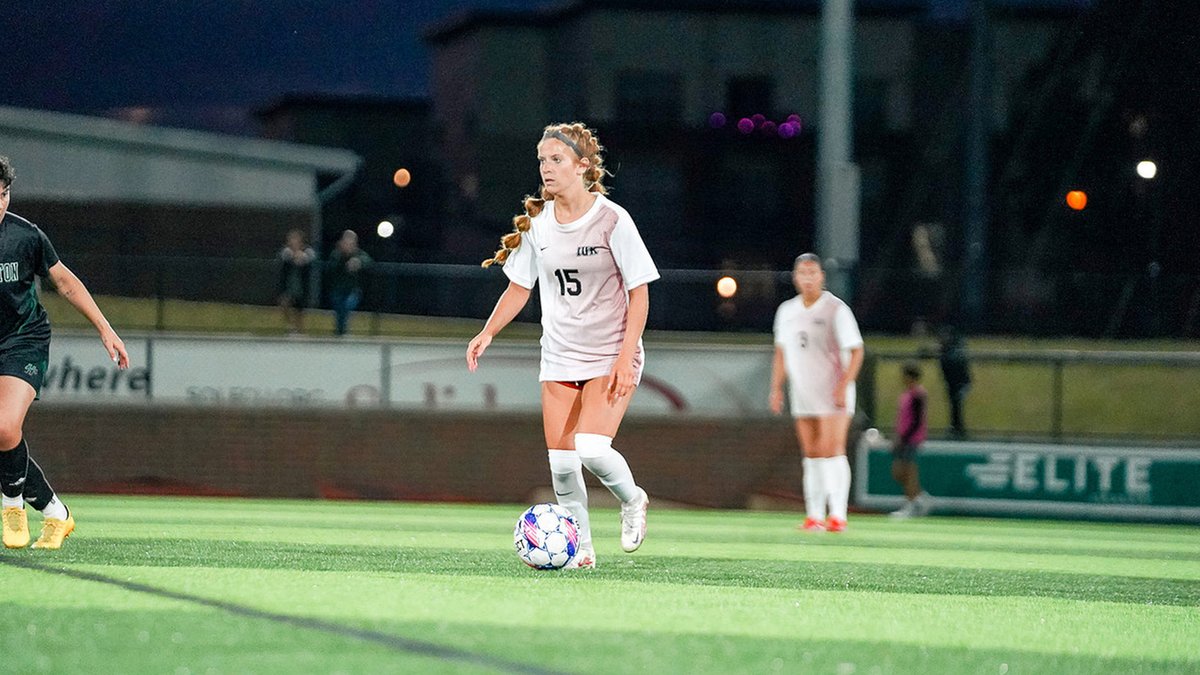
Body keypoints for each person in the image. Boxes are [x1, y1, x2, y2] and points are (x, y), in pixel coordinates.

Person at [466, 122, 657, 569]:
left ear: (582, 167)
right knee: (563, 464)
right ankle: (582, 551)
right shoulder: (538, 223)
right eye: (542, 160)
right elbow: (518, 287)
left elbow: (640, 291)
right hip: (559, 355)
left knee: (591, 448)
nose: (546, 168)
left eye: (556, 160)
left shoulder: (612, 219)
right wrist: (488, 331)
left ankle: (633, 499)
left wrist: (627, 355)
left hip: (610, 353)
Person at [0, 155, 130, 550]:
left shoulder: (25, 236)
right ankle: (57, 513)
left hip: (24, 338)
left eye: (3, 194)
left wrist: (105, 329)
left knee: (4, 427)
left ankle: (12, 506)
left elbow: (66, 283)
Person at [770, 253, 864, 533]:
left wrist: (844, 384)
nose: (808, 278)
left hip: (832, 390)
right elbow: (781, 352)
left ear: (822, 276)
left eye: (813, 273)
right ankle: (814, 516)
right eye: (802, 273)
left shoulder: (836, 309)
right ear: (795, 277)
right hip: (803, 391)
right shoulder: (787, 310)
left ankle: (838, 514)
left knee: (831, 449)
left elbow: (857, 350)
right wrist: (776, 388)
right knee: (811, 452)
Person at [890, 361, 931, 518]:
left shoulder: (918, 395)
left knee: (908, 472)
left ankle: (910, 505)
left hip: (911, 438)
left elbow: (917, 420)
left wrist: (905, 437)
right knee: (899, 472)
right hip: (903, 437)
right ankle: (920, 498)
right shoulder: (907, 394)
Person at [326, 229, 372, 336]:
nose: (349, 245)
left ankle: (342, 331)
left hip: (353, 289)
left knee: (348, 305)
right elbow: (332, 267)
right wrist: (343, 257)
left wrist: (358, 262)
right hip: (337, 289)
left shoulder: (359, 254)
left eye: (351, 242)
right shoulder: (336, 254)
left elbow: (368, 260)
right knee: (339, 309)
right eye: (346, 242)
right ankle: (340, 331)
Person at [277, 229, 315, 334]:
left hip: (302, 286)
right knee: (284, 303)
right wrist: (294, 256)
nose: (292, 241)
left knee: (300, 311)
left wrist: (301, 257)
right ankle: (290, 326)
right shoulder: (286, 252)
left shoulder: (308, 251)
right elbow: (285, 258)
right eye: (290, 239)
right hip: (289, 285)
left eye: (295, 239)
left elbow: (308, 258)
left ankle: (300, 331)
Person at [937, 326, 972, 438]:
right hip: (952, 383)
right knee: (954, 406)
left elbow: (963, 371)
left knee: (956, 405)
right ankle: (956, 428)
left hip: (959, 383)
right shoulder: (947, 351)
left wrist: (964, 384)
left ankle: (959, 430)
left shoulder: (954, 352)